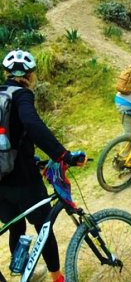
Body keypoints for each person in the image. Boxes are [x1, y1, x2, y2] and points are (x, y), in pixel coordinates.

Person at [0, 49, 84, 282]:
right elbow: (32, 125)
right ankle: (56, 276)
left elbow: (12, 135)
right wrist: (63, 155)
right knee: (43, 226)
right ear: (31, 75)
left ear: (7, 72)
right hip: (24, 179)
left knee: (15, 226)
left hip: (1, 179)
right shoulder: (22, 95)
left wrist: (32, 157)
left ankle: (22, 271)